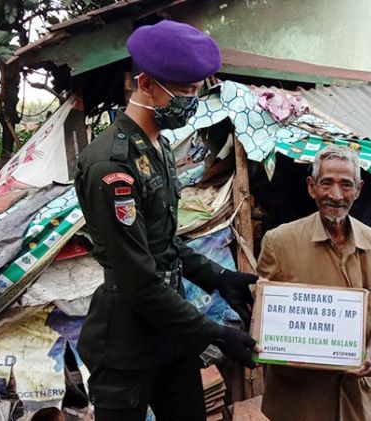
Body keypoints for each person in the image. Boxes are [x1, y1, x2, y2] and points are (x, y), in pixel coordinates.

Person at [74, 20, 260, 421]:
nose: (192, 102)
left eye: (197, 91)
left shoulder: (155, 145)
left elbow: (163, 243)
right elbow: (137, 276)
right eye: (186, 92)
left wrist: (218, 277)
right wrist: (215, 333)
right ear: (146, 84)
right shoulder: (112, 162)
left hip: (169, 337)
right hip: (125, 343)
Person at [257, 145, 371, 421]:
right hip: (296, 399)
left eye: (346, 185)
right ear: (311, 187)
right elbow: (264, 308)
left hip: (354, 399)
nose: (336, 195)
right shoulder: (279, 242)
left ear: (358, 189)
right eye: (326, 183)